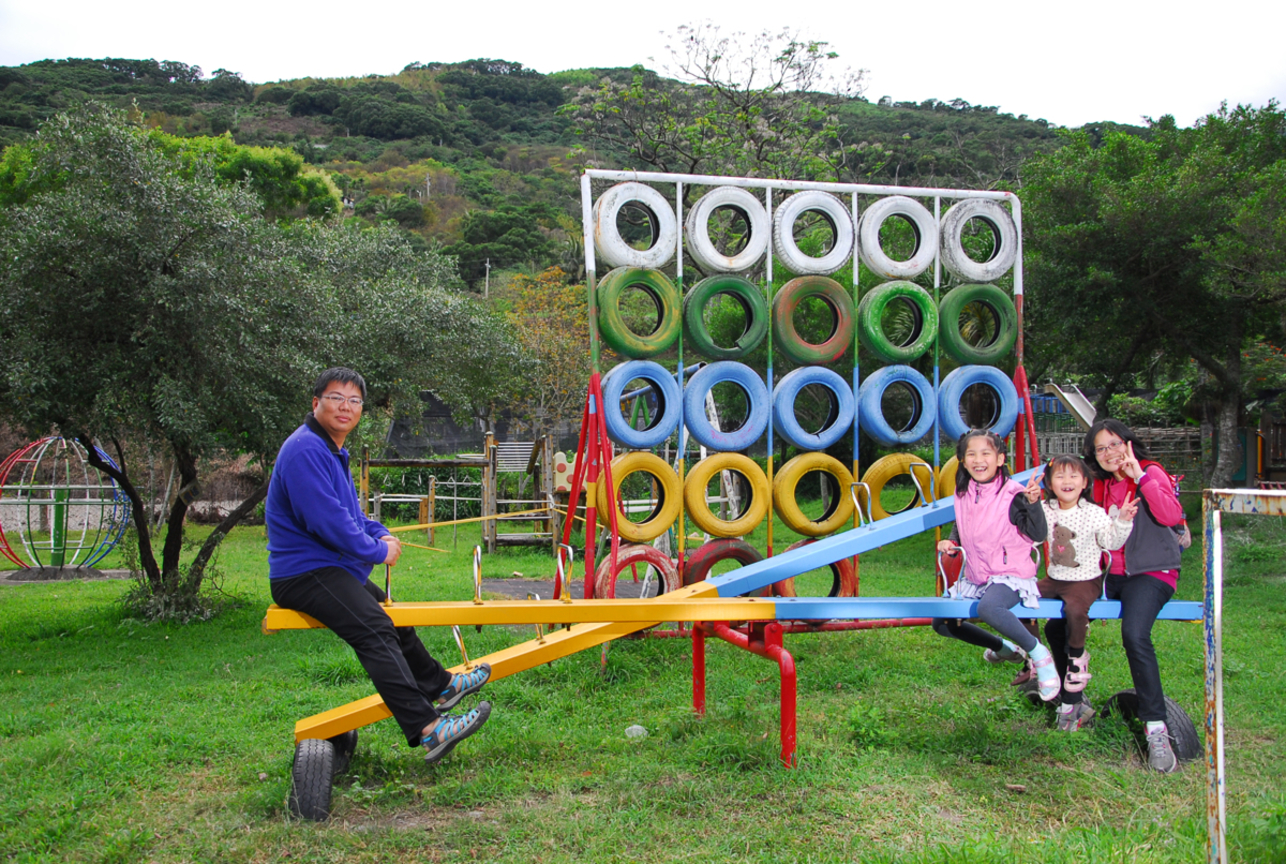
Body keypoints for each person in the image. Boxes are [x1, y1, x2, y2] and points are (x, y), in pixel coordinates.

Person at [266, 368, 491, 764]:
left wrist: (381, 533)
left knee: (394, 616)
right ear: (315, 402)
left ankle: (441, 686)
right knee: (375, 631)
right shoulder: (305, 450)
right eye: (336, 397)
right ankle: (429, 728)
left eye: (354, 401)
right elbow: (327, 522)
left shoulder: (331, 450)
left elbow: (350, 515)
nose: (345, 407)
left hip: (328, 568)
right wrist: (375, 551)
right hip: (304, 573)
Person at [1052, 418, 1185, 772]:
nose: (1109, 453)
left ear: (1128, 443)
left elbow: (1171, 515)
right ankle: (1073, 700)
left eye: (1114, 444)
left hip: (1152, 573)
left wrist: (1140, 476)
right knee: (1057, 619)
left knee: (1135, 633)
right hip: (1110, 576)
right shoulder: (1101, 486)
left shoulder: (1151, 473)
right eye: (1100, 448)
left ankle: (1156, 729)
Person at [933, 429, 1060, 701]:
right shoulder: (964, 491)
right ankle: (1006, 649)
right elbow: (964, 521)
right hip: (978, 575)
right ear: (963, 461)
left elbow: (1038, 535)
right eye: (971, 454)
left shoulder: (1013, 494)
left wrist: (1034, 504)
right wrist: (952, 540)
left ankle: (1039, 654)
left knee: (989, 607)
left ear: (1000, 458)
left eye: (986, 453)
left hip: (1010, 574)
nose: (979, 460)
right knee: (942, 623)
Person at [1031, 454, 1138, 732]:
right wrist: (1029, 505)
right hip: (1054, 578)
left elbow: (1110, 540)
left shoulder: (1093, 512)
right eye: (1060, 476)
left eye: (1073, 476)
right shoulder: (1046, 508)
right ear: (1050, 483)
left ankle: (1076, 663)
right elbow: (1031, 534)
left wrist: (1123, 521)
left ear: (1085, 482)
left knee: (1075, 611)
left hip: (1084, 580)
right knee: (1021, 599)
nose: (1067, 482)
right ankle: (1033, 651)